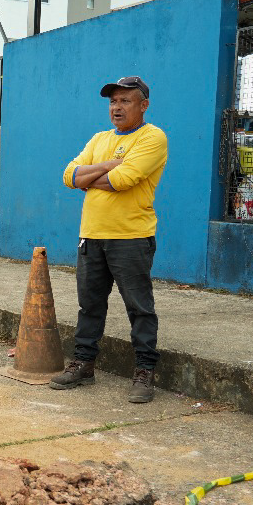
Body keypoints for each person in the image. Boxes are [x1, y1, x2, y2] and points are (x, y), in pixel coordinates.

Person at [53, 76, 168, 403]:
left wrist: (89, 178)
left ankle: (144, 371)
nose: (117, 107)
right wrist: (107, 165)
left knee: (139, 307)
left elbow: (124, 179)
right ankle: (83, 364)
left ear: (143, 105)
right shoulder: (100, 139)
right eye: (113, 101)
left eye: (125, 101)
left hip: (131, 236)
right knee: (89, 305)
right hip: (91, 234)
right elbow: (68, 176)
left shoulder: (152, 137)